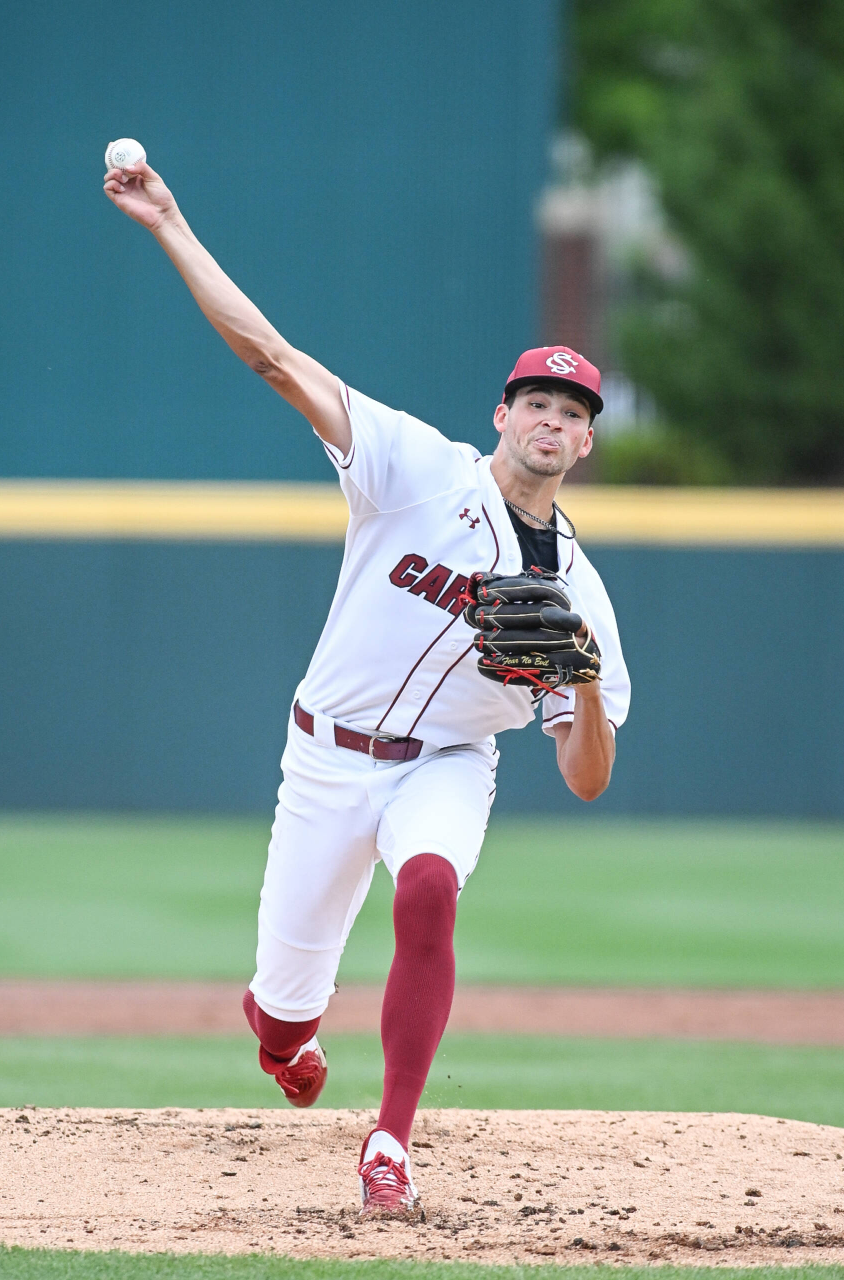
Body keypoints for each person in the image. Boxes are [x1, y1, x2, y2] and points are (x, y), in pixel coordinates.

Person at [103, 157, 631, 1219]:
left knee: (429, 889)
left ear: (584, 439)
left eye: (572, 410)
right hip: (325, 758)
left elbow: (584, 775)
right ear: (501, 412)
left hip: (445, 766)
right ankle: (287, 1037)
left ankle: (389, 1137)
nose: (550, 418)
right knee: (281, 1015)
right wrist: (170, 223)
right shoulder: (413, 467)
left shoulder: (579, 591)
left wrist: (571, 685)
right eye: (535, 398)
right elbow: (270, 356)